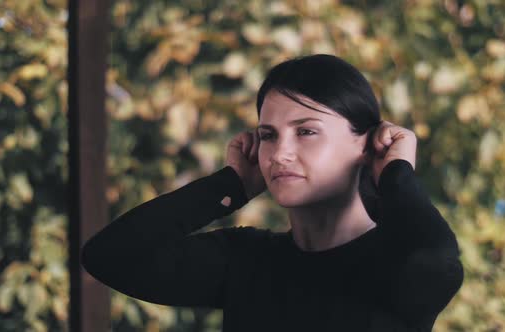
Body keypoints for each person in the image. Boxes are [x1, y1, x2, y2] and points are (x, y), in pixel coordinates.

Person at [81, 54, 464, 331]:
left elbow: (441, 267)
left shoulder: (400, 266)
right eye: (268, 135)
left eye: (306, 131)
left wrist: (396, 172)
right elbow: (109, 256)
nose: (279, 153)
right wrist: (230, 186)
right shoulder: (246, 260)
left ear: (365, 146)